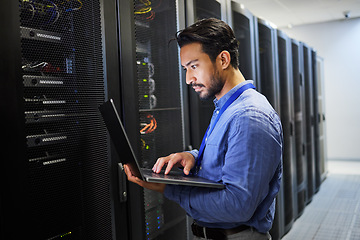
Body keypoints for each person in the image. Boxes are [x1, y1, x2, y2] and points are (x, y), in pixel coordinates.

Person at [124, 18, 283, 240]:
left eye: (194, 66)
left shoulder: (250, 117)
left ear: (223, 59)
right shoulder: (227, 108)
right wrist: (192, 157)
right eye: (185, 69)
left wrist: (168, 188)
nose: (189, 79)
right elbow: (229, 158)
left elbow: (238, 206)